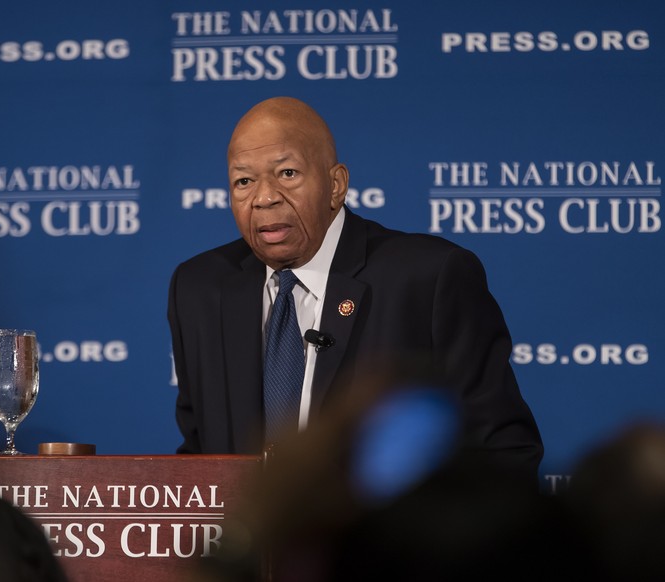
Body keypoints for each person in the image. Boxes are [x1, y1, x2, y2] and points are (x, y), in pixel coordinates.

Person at [167, 96, 543, 488]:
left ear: (336, 185)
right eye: (243, 181)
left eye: (288, 173)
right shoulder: (200, 289)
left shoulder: (428, 278)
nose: (264, 197)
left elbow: (502, 452)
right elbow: (198, 458)